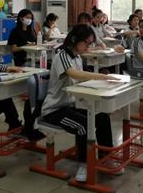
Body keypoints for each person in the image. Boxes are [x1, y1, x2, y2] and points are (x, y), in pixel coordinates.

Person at [39, 24, 120, 182]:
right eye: (87, 43)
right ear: (75, 39)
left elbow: (80, 79)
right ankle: (83, 164)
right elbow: (74, 74)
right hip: (54, 110)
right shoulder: (62, 55)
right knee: (84, 126)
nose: (88, 47)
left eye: (90, 43)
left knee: (102, 117)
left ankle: (106, 157)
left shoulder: (77, 57)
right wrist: (103, 77)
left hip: (71, 105)